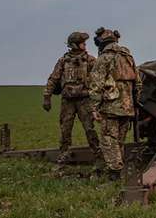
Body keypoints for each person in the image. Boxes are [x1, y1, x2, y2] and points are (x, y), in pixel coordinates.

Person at [88, 27, 142, 180]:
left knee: (108, 139)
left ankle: (115, 173)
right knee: (120, 140)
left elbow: (95, 85)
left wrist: (94, 108)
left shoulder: (104, 58)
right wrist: (134, 103)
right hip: (128, 107)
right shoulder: (128, 57)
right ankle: (120, 168)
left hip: (110, 107)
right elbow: (138, 83)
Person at [43, 32, 102, 165]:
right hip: (67, 101)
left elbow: (99, 79)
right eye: (83, 43)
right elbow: (53, 79)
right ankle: (64, 155)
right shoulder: (63, 61)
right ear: (75, 45)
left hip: (84, 100)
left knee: (89, 129)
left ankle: (98, 155)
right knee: (65, 129)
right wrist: (47, 97)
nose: (85, 45)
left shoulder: (90, 60)